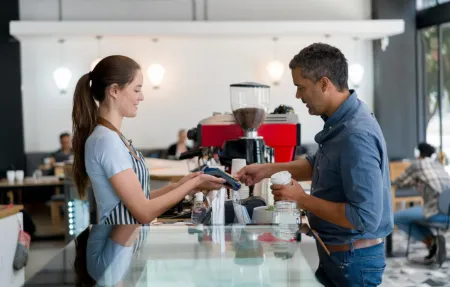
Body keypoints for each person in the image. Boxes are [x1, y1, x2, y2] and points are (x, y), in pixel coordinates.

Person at [235, 43, 393, 286]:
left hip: (353, 261)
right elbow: (316, 164)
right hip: (338, 253)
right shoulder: (340, 121)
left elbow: (364, 217)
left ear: (324, 83)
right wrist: (265, 170)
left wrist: (301, 199)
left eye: (301, 87)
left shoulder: (355, 135)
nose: (298, 96)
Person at [71, 55, 225, 225]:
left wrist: (181, 186)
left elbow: (140, 200)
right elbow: (144, 212)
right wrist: (193, 183)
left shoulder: (114, 137)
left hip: (126, 242)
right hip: (117, 244)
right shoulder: (106, 140)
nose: (141, 97)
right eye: (136, 90)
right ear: (114, 90)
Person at [393, 142, 450, 264]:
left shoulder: (417, 164)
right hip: (448, 213)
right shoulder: (438, 165)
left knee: (396, 218)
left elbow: (399, 182)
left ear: (418, 154)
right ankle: (434, 243)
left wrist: (389, 183)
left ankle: (432, 242)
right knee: (414, 217)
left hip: (436, 210)